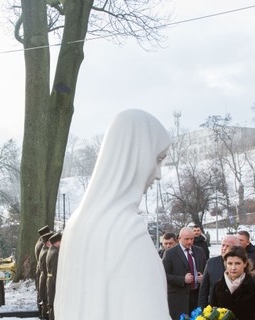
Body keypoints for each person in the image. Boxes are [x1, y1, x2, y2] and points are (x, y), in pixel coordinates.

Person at [55, 109, 172, 320]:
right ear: (137, 156)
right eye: (157, 159)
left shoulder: (75, 225)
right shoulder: (127, 230)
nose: (158, 174)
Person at [210, 246, 255, 320]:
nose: (233, 268)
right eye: (230, 263)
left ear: (245, 263)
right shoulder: (218, 286)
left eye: (237, 263)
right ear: (225, 264)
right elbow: (212, 313)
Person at [163, 227, 206, 320]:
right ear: (179, 238)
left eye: (192, 239)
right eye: (187, 239)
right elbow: (164, 276)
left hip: (197, 296)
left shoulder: (200, 251)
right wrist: (182, 279)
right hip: (178, 298)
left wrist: (203, 278)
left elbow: (206, 270)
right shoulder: (170, 253)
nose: (190, 242)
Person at [198, 235, 240, 308]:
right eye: (223, 245)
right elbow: (204, 290)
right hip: (215, 310)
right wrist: (202, 310)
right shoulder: (211, 263)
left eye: (227, 246)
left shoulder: (243, 264)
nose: (224, 248)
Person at [34, 225, 51, 317]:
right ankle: (42, 314)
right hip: (42, 271)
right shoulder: (42, 245)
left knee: (42, 295)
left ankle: (41, 313)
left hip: (40, 271)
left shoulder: (39, 242)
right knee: (43, 295)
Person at [38, 231, 54, 319]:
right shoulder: (45, 253)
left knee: (45, 302)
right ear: (47, 242)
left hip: (44, 279)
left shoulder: (44, 250)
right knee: (46, 303)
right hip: (45, 280)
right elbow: (45, 270)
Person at [46, 232, 62, 320]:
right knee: (53, 305)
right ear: (57, 242)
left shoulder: (51, 250)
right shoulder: (55, 253)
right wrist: (59, 286)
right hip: (53, 282)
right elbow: (55, 271)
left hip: (50, 280)